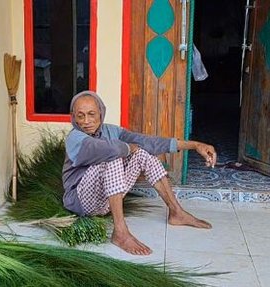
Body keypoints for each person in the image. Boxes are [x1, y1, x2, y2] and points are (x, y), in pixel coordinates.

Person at [62, 91, 217, 256]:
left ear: (101, 112)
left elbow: (147, 142)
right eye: (80, 116)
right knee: (114, 156)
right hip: (81, 201)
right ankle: (120, 232)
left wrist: (194, 145)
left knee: (143, 152)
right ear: (74, 118)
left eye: (91, 114)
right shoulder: (75, 137)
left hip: (104, 201)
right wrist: (128, 148)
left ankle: (176, 212)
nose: (86, 121)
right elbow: (108, 149)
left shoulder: (111, 131)